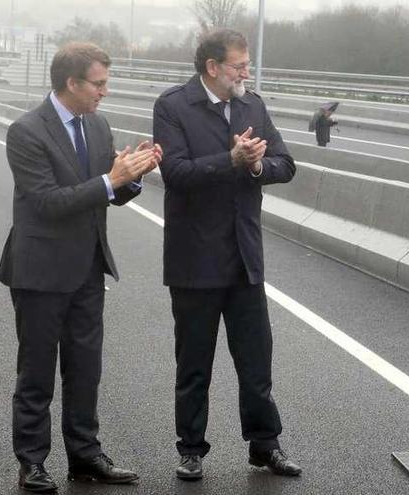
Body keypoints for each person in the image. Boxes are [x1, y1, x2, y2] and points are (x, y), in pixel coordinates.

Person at [0, 42, 160, 492]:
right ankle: (31, 461)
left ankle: (85, 456)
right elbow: (48, 202)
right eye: (99, 83)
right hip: (40, 271)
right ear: (72, 83)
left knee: (85, 369)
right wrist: (112, 179)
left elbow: (107, 193)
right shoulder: (26, 131)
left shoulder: (97, 123)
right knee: (36, 372)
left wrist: (135, 174)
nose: (105, 92)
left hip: (88, 267)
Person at [152, 28, 301, 481]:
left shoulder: (253, 104)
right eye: (239, 65)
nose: (246, 72)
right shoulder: (173, 106)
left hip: (244, 258)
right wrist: (230, 159)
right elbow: (175, 172)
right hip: (194, 260)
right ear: (212, 67)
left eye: (247, 64)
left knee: (257, 362)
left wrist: (256, 164)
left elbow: (286, 164)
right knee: (194, 364)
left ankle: (265, 444)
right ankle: (191, 449)